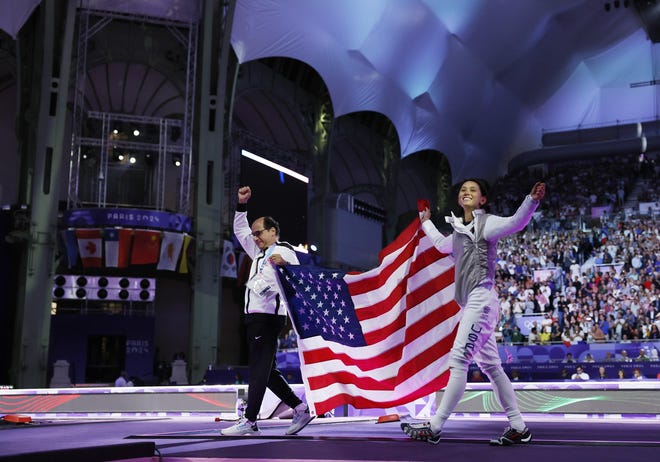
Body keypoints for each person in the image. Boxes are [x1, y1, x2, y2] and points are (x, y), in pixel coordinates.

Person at [401, 179, 545, 446]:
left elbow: (516, 222)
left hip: (481, 300)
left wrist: (531, 201)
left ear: (482, 200)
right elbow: (440, 244)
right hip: (472, 305)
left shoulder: (486, 223)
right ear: (459, 199)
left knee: (458, 362)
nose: (466, 192)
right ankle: (518, 427)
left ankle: (434, 427)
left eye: (473, 190)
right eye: (463, 190)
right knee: (492, 368)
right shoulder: (457, 231)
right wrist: (425, 221)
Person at [221, 185, 314, 437]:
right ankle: (300, 408)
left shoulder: (283, 250)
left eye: (259, 233)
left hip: (268, 318)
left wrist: (285, 266)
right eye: (254, 234)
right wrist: (242, 205)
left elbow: (295, 274)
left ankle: (250, 421)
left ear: (273, 232)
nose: (254, 237)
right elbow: (240, 231)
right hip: (254, 318)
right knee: (268, 372)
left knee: (259, 369)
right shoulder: (259, 252)